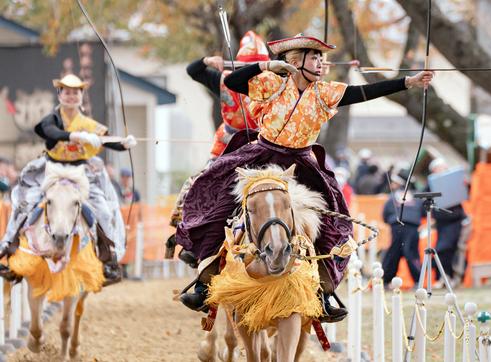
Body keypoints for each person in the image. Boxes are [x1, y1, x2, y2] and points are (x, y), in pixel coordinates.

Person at [176, 33, 434, 321]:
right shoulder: (273, 84)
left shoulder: (324, 92)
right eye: (315, 58)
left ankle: (323, 291)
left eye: (321, 58)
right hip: (261, 155)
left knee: (332, 218)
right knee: (217, 203)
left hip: (301, 162)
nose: (321, 63)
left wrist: (408, 82)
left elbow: (363, 92)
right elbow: (233, 83)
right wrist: (266, 67)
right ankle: (204, 283)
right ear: (296, 62)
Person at [0, 74, 137, 285]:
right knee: (24, 204)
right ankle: (8, 247)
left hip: (80, 174)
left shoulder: (88, 124)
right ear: (59, 94)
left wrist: (124, 143)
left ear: (81, 95)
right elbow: (49, 131)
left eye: (75, 92)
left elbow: (107, 140)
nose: (71, 96)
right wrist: (75, 136)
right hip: (51, 170)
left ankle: (108, 258)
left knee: (104, 209)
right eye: (67, 92)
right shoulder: (53, 118)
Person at [165, 31, 270, 271]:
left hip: (262, 147)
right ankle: (193, 241)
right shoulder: (224, 79)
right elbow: (193, 71)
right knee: (199, 183)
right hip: (226, 145)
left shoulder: (275, 83)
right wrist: (206, 61)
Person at [427, 157, 467, 285]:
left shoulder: (454, 180)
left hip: (455, 219)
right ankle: (443, 276)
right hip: (442, 222)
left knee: (453, 249)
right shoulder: (431, 184)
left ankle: (451, 276)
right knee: (442, 249)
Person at [381, 169, 422, 286]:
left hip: (401, 227)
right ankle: (417, 280)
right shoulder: (415, 197)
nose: (393, 184)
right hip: (407, 228)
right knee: (406, 253)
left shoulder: (393, 197)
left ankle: (387, 281)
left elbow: (385, 214)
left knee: (399, 253)